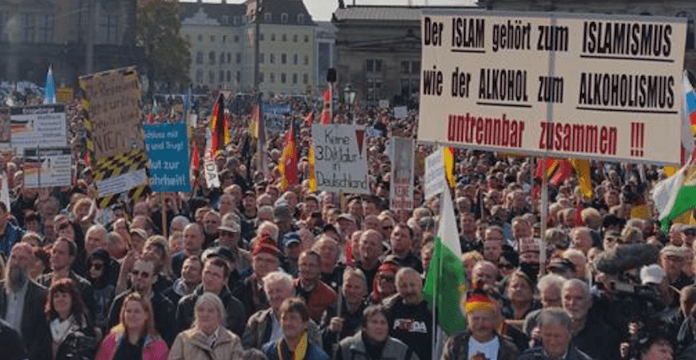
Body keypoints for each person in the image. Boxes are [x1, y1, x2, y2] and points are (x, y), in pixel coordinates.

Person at [242, 271, 322, 349]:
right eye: (270, 292)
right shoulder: (257, 320)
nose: (274, 296)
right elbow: (246, 350)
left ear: (291, 293)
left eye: (278, 291)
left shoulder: (307, 325)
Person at [107, 257, 177, 345]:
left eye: (145, 275)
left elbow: (170, 341)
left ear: (154, 278)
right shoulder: (119, 301)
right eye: (135, 273)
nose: (139, 277)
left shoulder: (165, 306)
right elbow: (110, 334)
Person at [0, 242, 50, 360]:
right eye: (14, 257)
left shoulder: (41, 295)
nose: (16, 263)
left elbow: (41, 336)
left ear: (31, 263)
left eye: (22, 259)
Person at [441, 285, 519, 360]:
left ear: (494, 320)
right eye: (475, 319)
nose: (480, 324)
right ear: (468, 320)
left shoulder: (509, 349)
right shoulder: (455, 344)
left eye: (485, 319)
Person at [175, 257, 246, 335]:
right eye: (207, 273)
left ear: (225, 280)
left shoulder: (235, 307)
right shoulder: (186, 303)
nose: (210, 278)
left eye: (216, 275)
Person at [168, 292, 244, 360]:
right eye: (200, 310)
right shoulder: (183, 339)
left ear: (219, 314)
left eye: (210, 311)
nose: (205, 315)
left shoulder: (232, 340)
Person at [95, 292, 168, 360]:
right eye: (128, 311)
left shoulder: (158, 346)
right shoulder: (111, 339)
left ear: (146, 315)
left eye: (137, 311)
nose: (132, 315)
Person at [335, 305, 419, 360]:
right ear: (364, 326)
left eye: (383, 322)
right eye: (374, 322)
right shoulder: (346, 348)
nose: (379, 327)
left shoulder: (402, 351)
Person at [384, 267, 432, 360]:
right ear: (397, 288)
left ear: (420, 284)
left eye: (412, 285)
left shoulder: (432, 309)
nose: (409, 290)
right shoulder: (388, 310)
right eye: (403, 286)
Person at [45, 278, 98, 360]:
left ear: (73, 299)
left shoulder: (84, 326)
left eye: (64, 296)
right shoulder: (45, 326)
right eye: (56, 296)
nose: (60, 299)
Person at [262, 297, 330, 360]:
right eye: (284, 318)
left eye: (293, 318)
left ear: (305, 323)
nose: (288, 323)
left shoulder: (319, 357)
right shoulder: (268, 352)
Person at [320, 267, 368, 354]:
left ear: (364, 291)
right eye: (348, 286)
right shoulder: (332, 309)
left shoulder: (369, 313)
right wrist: (330, 330)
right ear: (342, 288)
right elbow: (318, 339)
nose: (352, 291)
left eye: (357, 287)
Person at [517, 307, 593, 360]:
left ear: (569, 334)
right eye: (548, 335)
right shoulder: (527, 358)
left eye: (557, 336)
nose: (552, 341)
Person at [294, 250, 337, 323]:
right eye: (304, 264)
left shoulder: (329, 295)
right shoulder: (288, 288)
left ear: (319, 268)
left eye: (312, 265)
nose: (307, 269)